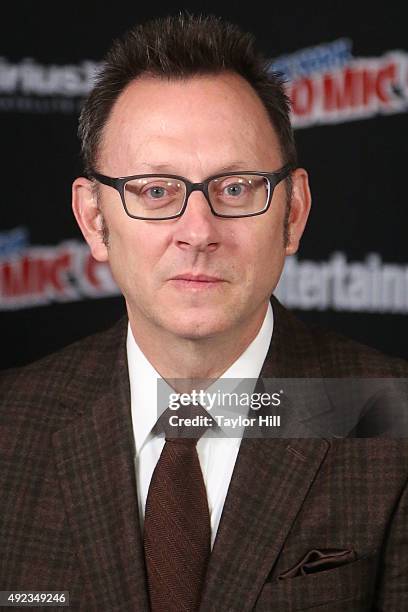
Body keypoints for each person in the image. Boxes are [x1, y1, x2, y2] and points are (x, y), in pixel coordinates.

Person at [1, 13, 407, 611]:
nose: (198, 231)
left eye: (236, 188)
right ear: (94, 219)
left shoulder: (393, 422)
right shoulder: (8, 427)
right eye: (156, 190)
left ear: (292, 213)